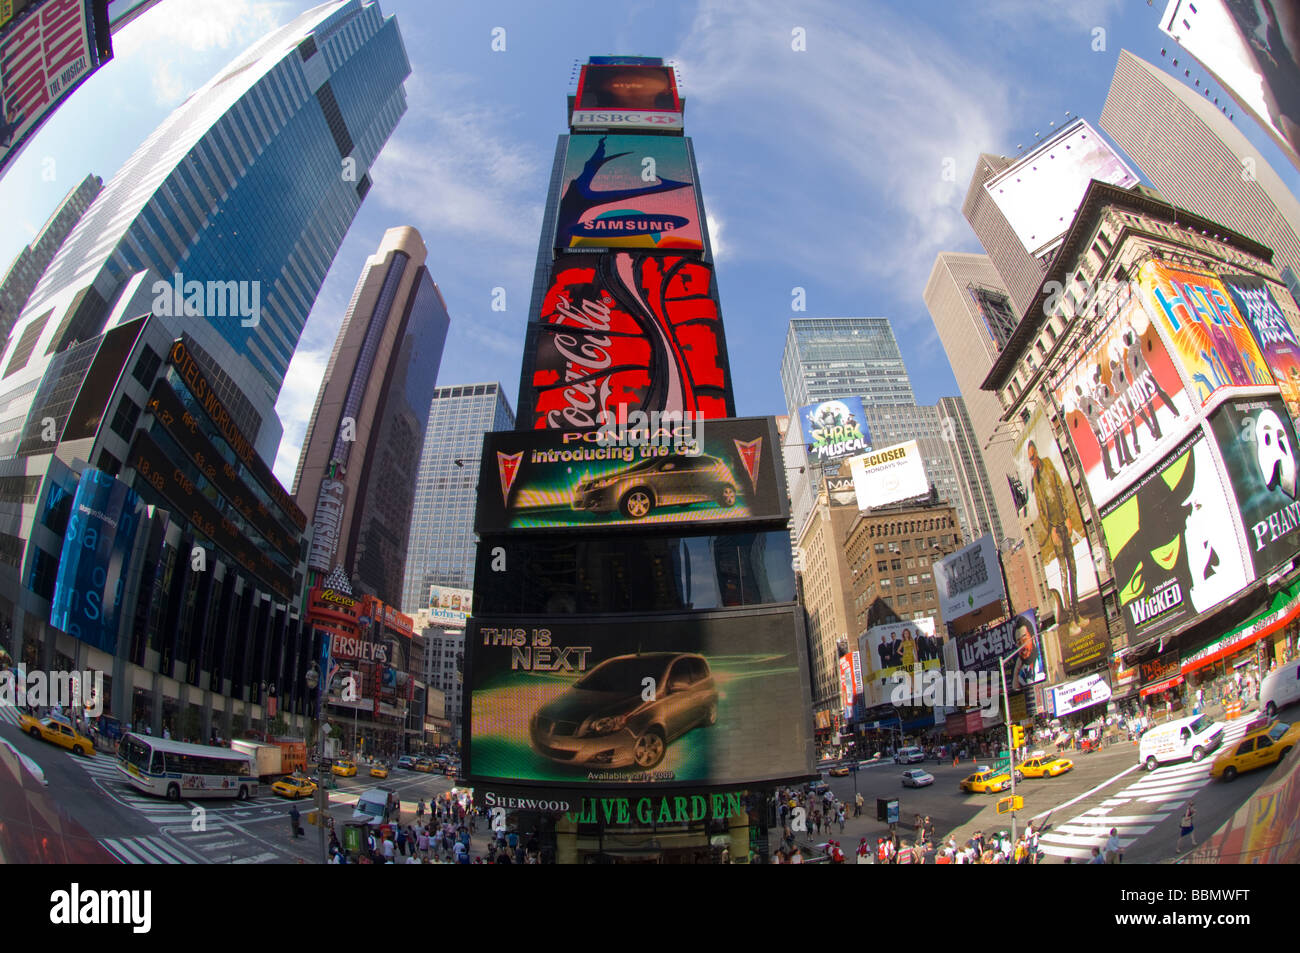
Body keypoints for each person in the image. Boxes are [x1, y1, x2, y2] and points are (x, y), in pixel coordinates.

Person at [1028, 439, 1082, 635]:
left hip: (1064, 521)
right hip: (1054, 530)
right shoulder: (1035, 480)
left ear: (1038, 455)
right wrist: (1050, 529)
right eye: (1030, 460)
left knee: (1073, 567)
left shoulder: (1049, 464)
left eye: (1033, 457)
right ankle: (1070, 620)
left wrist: (1067, 515)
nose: (1032, 461)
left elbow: (1060, 487)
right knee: (1063, 572)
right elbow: (1041, 509)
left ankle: (1077, 615)